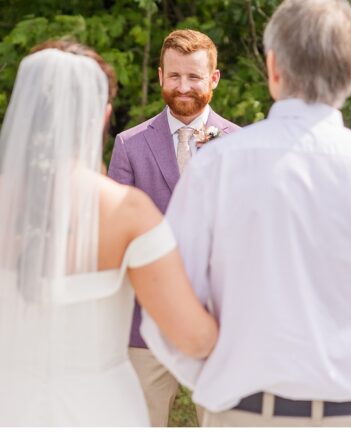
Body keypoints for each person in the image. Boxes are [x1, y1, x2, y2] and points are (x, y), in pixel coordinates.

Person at [142, 0, 351, 427]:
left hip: (245, 414)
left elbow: (165, 307)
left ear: (273, 67)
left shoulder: (215, 168)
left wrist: (217, 385)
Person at [0, 41, 218, 427]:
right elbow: (193, 338)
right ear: (104, 113)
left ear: (26, 111)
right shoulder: (127, 212)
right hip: (99, 409)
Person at [108, 29, 239, 426]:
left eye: (195, 77)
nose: (184, 87)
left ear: (213, 79)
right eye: (176, 76)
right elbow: (118, 236)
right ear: (161, 76)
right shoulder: (130, 145)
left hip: (220, 326)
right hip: (145, 326)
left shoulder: (241, 145)